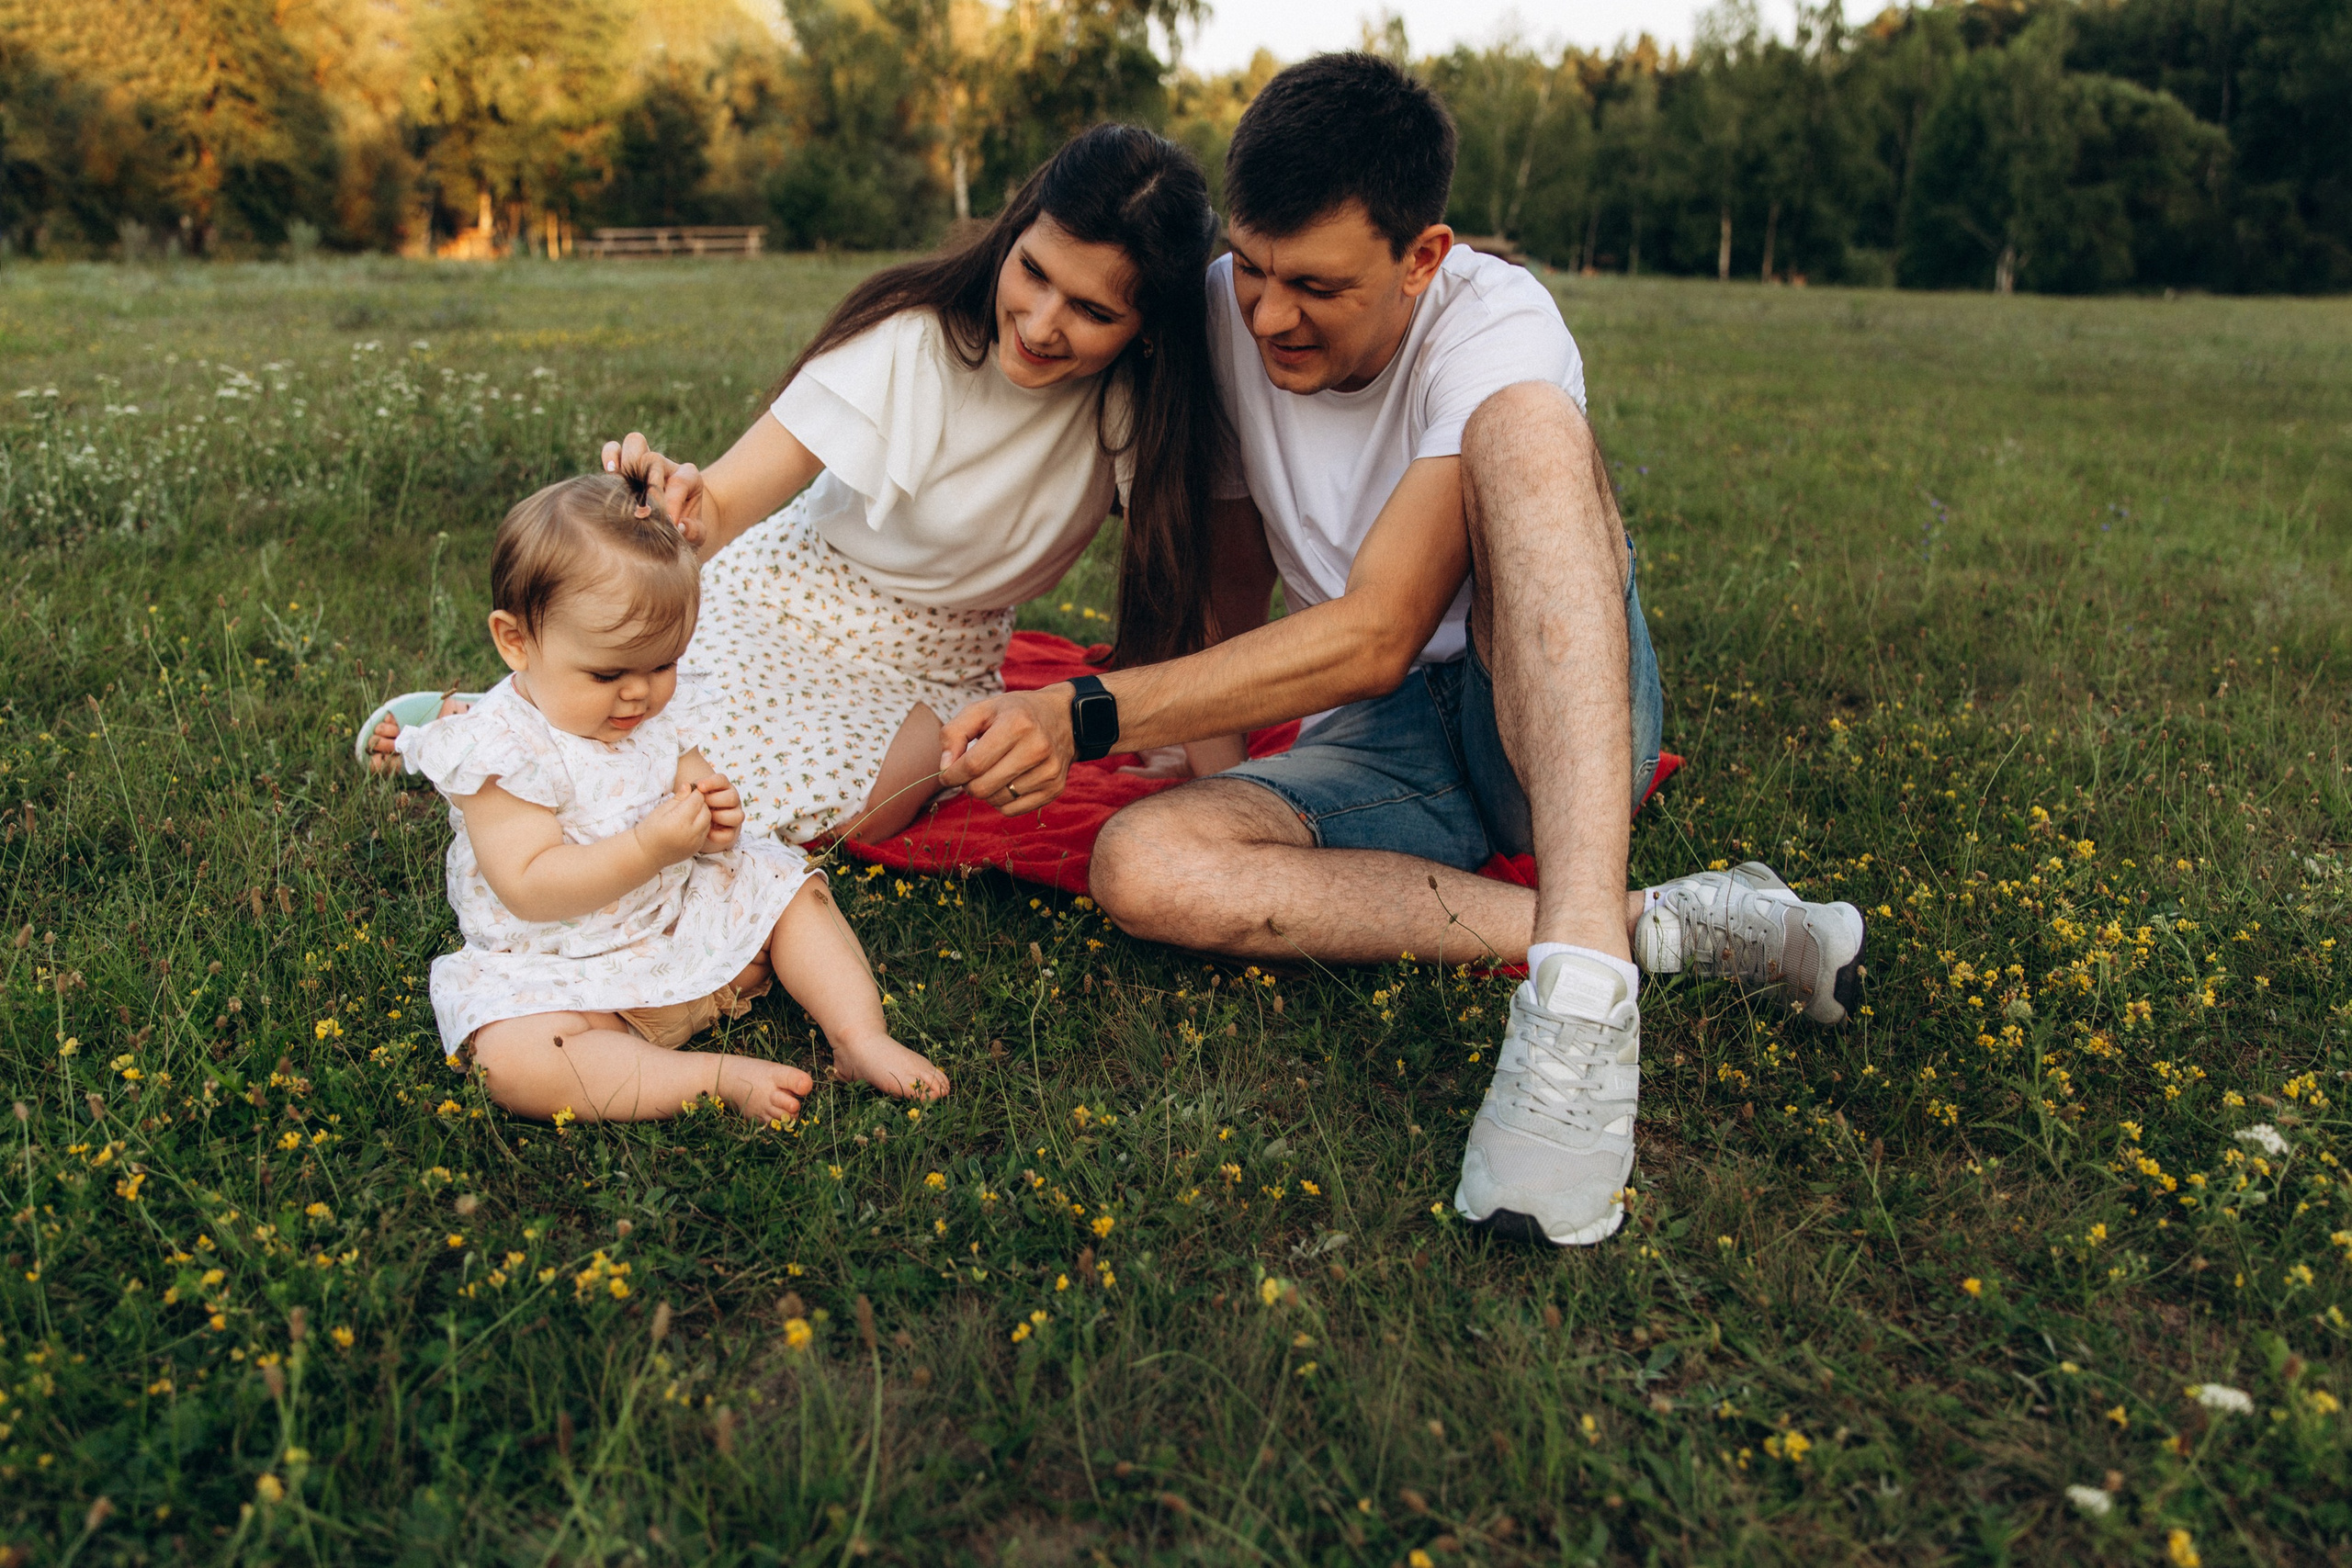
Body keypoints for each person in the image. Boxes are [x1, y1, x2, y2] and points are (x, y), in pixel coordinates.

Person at [934, 55, 1867, 1247]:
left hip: (1530, 701)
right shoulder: (1229, 317)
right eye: (1257, 270)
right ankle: (1662, 919)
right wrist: (1207, 764)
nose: (1271, 313)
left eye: (1316, 284)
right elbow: (1232, 591)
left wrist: (1092, 711)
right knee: (1146, 862)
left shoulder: (1496, 321)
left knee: (1529, 426)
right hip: (1383, 744)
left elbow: (1377, 631)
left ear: (1422, 257)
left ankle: (1580, 999)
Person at [362, 123, 1229, 848]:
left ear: (1149, 330)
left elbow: (1185, 606)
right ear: (1012, 235)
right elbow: (726, 502)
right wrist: (675, 505)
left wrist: (1222, 785)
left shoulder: (1134, 417)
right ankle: (480, 726)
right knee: (663, 743)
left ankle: (535, 741)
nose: (1042, 324)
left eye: (1093, 311)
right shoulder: (912, 340)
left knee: (861, 808)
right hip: (787, 598)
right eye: (1034, 272)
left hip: (943, 660)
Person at [398, 474, 946, 1122]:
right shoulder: (500, 753)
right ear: (516, 641)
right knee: (516, 1059)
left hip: (680, 916)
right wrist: (647, 846)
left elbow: (694, 775)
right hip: (566, 969)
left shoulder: (650, 712)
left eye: (663, 665)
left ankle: (860, 1035)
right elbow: (530, 885)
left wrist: (715, 817)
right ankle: (707, 1077)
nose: (640, 695)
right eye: (608, 673)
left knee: (791, 890)